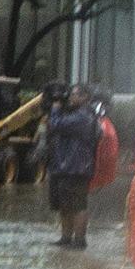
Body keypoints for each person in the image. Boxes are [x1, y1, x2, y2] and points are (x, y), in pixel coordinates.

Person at [42, 81, 101, 248]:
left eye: (75, 94)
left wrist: (55, 108)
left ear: (85, 97)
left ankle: (79, 240)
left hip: (76, 168)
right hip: (65, 166)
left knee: (77, 205)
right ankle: (66, 237)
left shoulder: (84, 116)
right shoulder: (76, 113)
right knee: (64, 205)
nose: (71, 97)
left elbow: (56, 124)